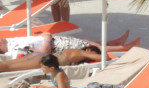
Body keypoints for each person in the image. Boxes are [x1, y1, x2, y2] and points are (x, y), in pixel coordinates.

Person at [0, 31, 139, 72]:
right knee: (8, 66)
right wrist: (99, 56)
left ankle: (122, 46)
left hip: (39, 56)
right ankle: (121, 46)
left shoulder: (76, 52)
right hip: (41, 59)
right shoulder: (80, 53)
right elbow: (105, 58)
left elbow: (103, 57)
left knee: (8, 65)